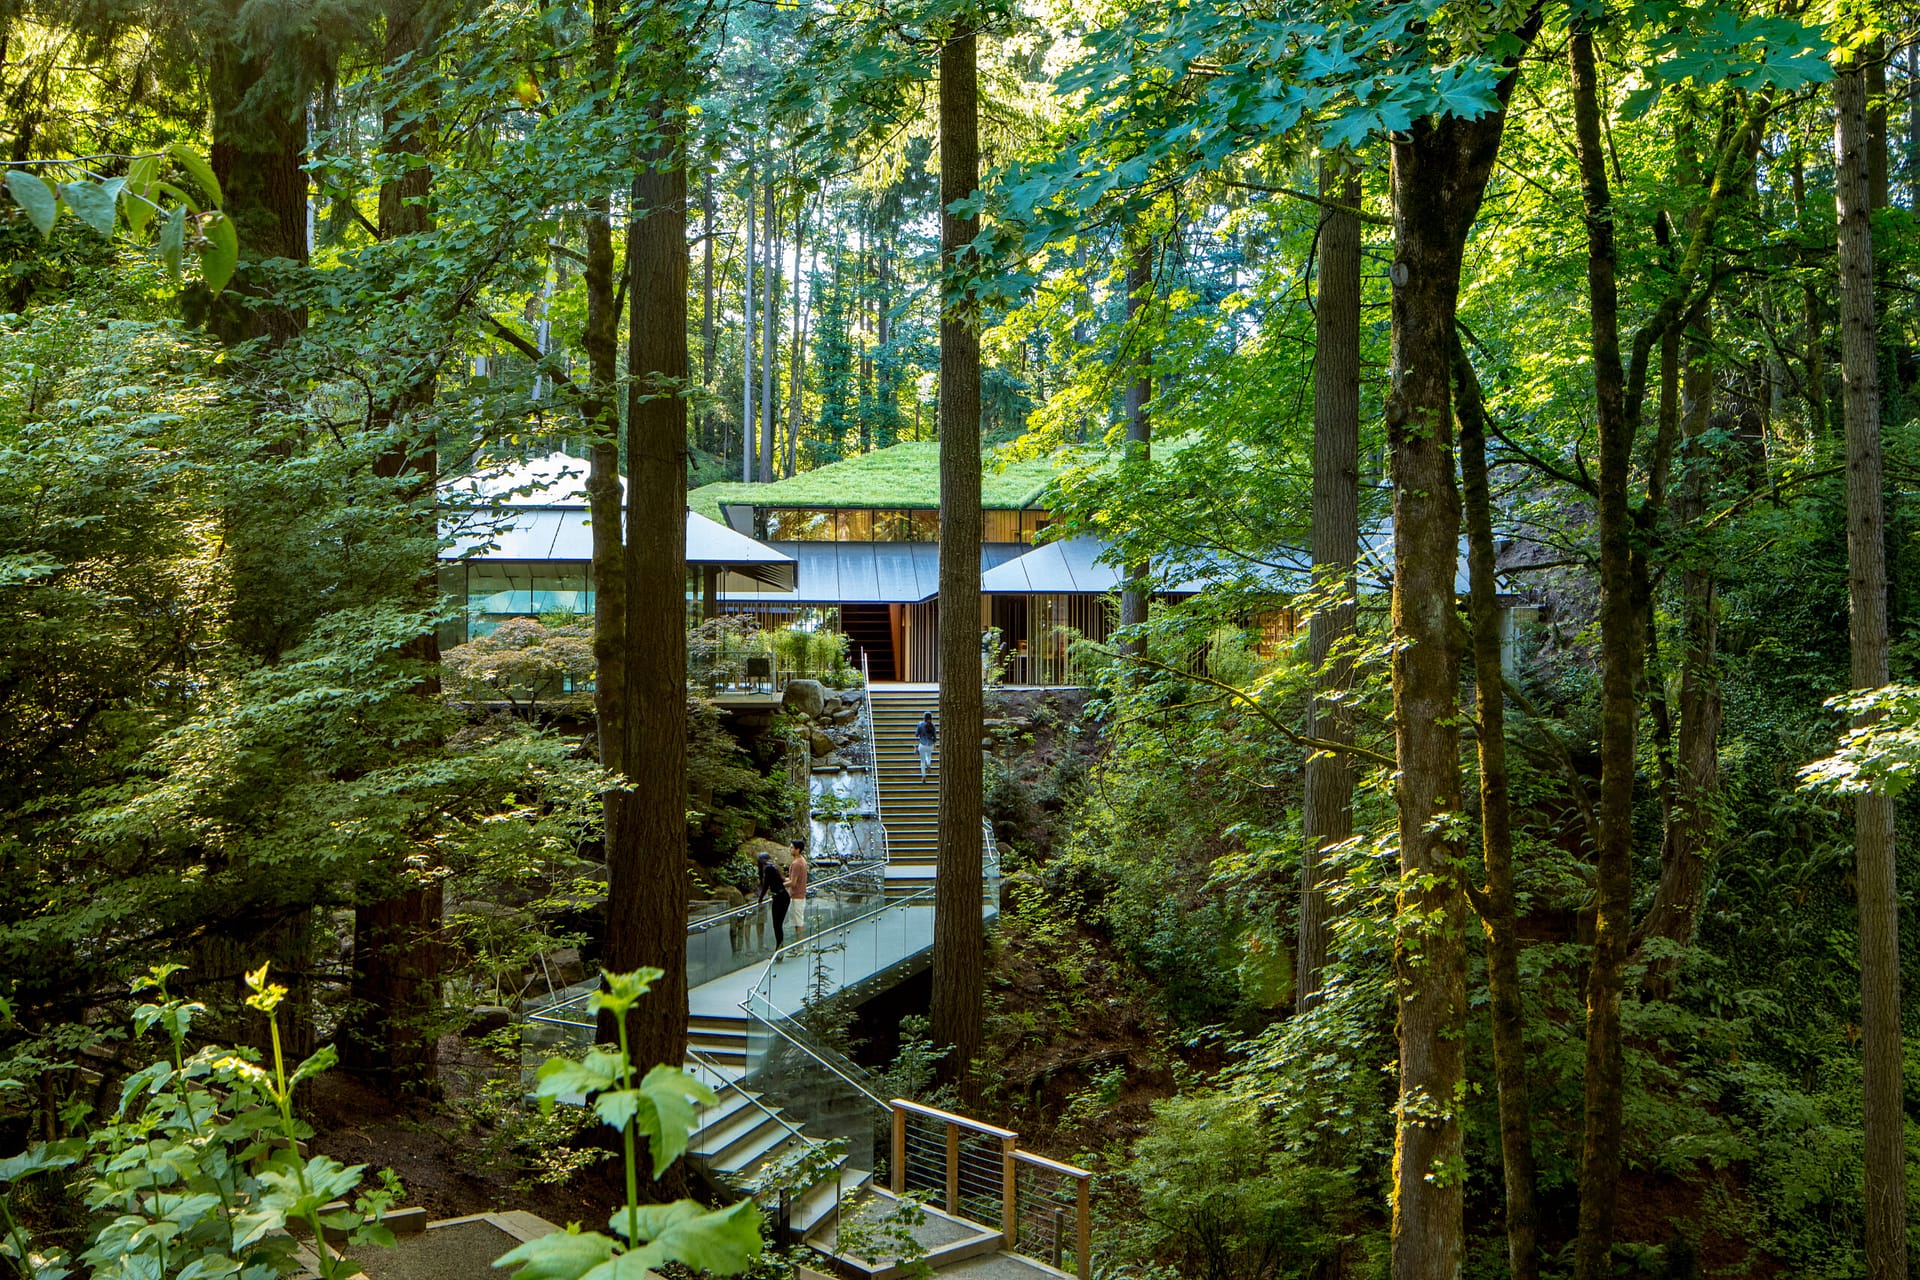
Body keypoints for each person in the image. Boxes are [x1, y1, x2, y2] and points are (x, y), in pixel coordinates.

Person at [755, 850, 791, 956]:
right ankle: (779, 950)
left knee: (777, 925)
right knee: (778, 925)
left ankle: (779, 951)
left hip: (780, 897)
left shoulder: (769, 868)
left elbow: (766, 885)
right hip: (781, 896)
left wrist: (760, 899)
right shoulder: (773, 866)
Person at [786, 838, 809, 944]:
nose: (789, 849)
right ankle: (797, 945)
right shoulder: (802, 860)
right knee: (797, 921)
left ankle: (799, 946)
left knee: (798, 922)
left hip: (797, 896)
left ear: (797, 849)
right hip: (800, 895)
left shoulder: (796, 863)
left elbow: (793, 883)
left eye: (791, 847)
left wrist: (779, 886)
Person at [915, 711, 937, 781]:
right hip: (930, 744)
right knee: (929, 756)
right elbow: (935, 737)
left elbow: (916, 734)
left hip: (922, 744)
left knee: (922, 761)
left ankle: (923, 776)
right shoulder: (933, 726)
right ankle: (929, 764)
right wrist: (934, 743)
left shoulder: (920, 724)